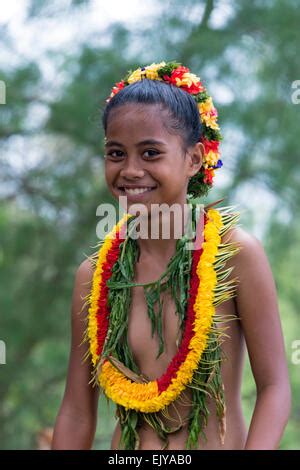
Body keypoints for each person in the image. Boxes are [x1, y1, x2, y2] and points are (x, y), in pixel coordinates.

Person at [51, 61, 291, 450]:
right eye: (116, 153)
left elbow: (276, 388)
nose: (130, 170)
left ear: (194, 159)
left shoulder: (233, 254)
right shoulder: (94, 276)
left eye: (150, 153)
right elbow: (77, 410)